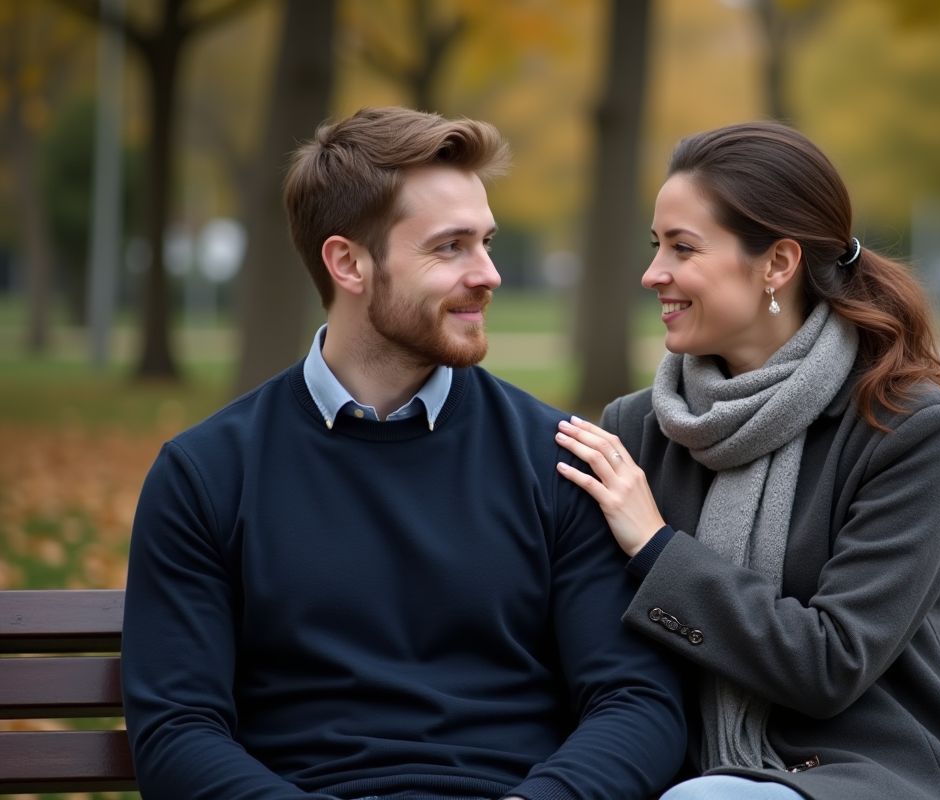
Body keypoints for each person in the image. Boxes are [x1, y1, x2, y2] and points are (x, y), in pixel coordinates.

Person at [120, 107, 686, 800]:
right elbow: (177, 731)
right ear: (348, 263)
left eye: (486, 242)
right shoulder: (206, 475)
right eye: (450, 247)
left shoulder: (561, 459)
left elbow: (637, 702)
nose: (489, 275)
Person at [554, 122, 940, 800]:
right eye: (657, 245)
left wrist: (656, 548)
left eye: (683, 248)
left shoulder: (903, 427)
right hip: (681, 770)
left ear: (777, 264)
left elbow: (830, 665)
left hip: (874, 773)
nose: (653, 273)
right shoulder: (634, 429)